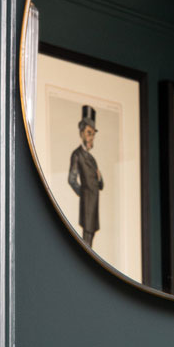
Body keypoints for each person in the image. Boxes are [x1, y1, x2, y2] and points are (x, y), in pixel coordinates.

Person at [67, 106, 104, 248]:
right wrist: (83, 193)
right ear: (82, 133)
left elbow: (101, 185)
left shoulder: (93, 159)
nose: (91, 137)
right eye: (89, 133)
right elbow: (71, 179)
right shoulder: (77, 155)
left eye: (93, 134)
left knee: (91, 236)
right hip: (87, 201)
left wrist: (99, 178)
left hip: (95, 202)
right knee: (87, 240)